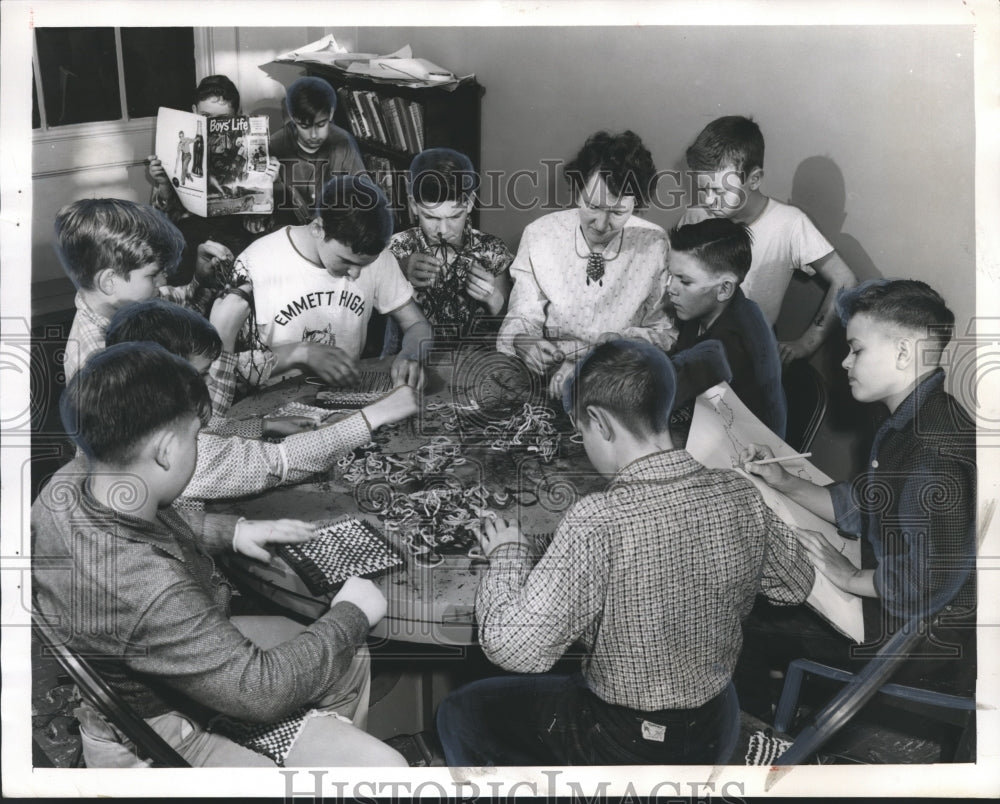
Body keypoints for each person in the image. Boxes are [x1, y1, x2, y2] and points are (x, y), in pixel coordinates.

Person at [435, 339, 815, 766]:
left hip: (630, 743)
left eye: (582, 433)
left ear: (599, 422)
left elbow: (516, 648)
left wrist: (507, 556)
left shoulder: (599, 517)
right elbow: (795, 587)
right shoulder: (738, 491)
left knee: (459, 711)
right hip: (716, 723)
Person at [32, 342, 407, 768]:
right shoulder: (148, 587)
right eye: (195, 436)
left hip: (142, 674)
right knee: (385, 767)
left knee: (347, 654)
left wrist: (228, 530)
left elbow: (147, 523)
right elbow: (259, 692)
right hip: (162, 731)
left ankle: (314, 744)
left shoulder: (67, 484)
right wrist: (352, 613)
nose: (199, 445)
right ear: (166, 450)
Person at [736, 279, 977, 715]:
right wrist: (785, 481)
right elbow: (863, 504)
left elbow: (929, 581)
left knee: (744, 617)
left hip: (915, 643)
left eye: (857, 349)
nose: (845, 362)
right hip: (902, 610)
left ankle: (758, 739)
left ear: (904, 352)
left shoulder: (932, 453)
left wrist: (848, 578)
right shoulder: (915, 419)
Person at [102, 298, 419, 507]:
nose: (211, 381)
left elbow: (210, 430)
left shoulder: (141, 418)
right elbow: (283, 461)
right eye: (201, 375)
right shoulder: (180, 455)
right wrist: (376, 414)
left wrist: (264, 425)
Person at [496, 130, 677, 398]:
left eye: (617, 212)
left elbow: (664, 333)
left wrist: (613, 350)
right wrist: (525, 342)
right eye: (593, 206)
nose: (602, 225)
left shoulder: (655, 244)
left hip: (618, 378)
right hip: (548, 377)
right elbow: (521, 316)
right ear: (577, 190)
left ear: (635, 204)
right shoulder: (540, 235)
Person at [679, 115, 857, 365]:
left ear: (754, 179)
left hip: (749, 355)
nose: (709, 200)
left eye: (719, 191)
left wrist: (808, 343)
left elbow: (845, 280)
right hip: (690, 344)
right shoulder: (696, 216)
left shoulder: (790, 224)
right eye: (703, 189)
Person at [231, 174, 431, 391]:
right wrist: (302, 353)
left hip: (344, 397)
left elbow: (417, 325)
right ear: (318, 228)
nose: (355, 274)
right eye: (346, 261)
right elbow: (224, 367)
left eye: (364, 265)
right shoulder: (255, 264)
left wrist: (411, 354)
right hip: (268, 408)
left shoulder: (379, 258)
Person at [56, 198, 222, 384]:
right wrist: (227, 342)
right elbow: (192, 411)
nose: (162, 281)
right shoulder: (100, 363)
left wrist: (201, 280)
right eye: (153, 275)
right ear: (109, 281)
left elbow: (176, 302)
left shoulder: (132, 302)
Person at [146, 75, 279, 298]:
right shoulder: (177, 146)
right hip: (187, 246)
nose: (212, 126)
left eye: (222, 119)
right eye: (205, 117)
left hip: (234, 240)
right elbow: (160, 223)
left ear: (237, 117)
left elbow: (258, 228)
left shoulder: (252, 147)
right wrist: (162, 184)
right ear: (194, 111)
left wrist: (265, 185)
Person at [667, 217, 786, 439]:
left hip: (743, 452)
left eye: (684, 281)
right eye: (671, 275)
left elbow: (665, 396)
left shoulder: (731, 341)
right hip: (707, 425)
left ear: (724, 289)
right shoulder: (704, 307)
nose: (670, 289)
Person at [386, 147, 513, 350]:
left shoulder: (492, 250)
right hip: (413, 362)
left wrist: (494, 298)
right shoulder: (396, 249)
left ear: (470, 203)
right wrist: (398, 269)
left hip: (477, 363)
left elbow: (511, 324)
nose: (443, 230)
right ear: (414, 206)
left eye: (455, 217)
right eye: (431, 217)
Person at [270, 76, 366, 227]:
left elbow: (364, 195)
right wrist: (273, 183)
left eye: (321, 125)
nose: (314, 135)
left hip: (333, 226)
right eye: (305, 126)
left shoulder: (343, 141)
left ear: (331, 114)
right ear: (293, 119)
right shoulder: (275, 144)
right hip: (291, 228)